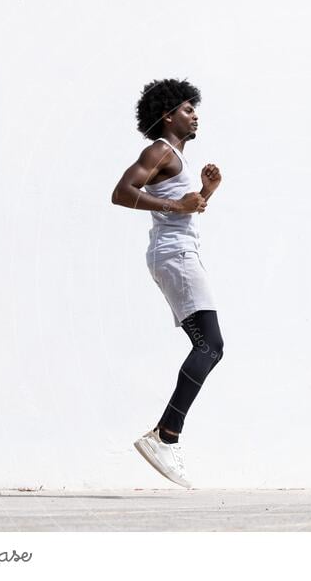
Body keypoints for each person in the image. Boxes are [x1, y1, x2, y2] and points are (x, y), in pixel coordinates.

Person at [111, 78, 224, 488]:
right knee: (210, 345)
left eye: (195, 109)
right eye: (187, 109)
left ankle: (167, 435)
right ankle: (166, 435)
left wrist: (204, 192)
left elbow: (182, 207)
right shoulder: (159, 149)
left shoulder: (176, 158)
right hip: (175, 256)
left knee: (209, 345)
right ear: (167, 115)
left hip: (177, 254)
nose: (195, 115)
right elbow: (122, 192)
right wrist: (179, 203)